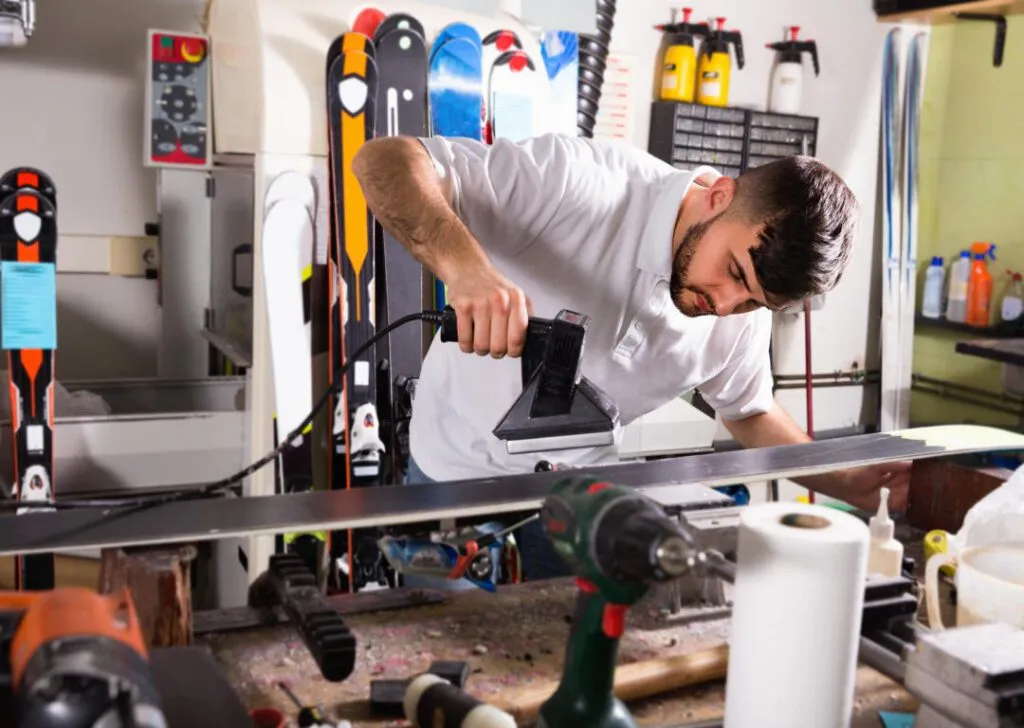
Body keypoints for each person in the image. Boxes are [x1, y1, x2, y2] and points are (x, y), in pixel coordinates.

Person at [352, 132, 911, 581]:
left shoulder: (740, 316)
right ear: (719, 195)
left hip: (575, 499)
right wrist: (466, 270)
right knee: (440, 654)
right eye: (734, 272)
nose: (724, 305)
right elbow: (384, 161)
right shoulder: (581, 184)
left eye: (753, 301)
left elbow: (750, 413)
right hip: (449, 475)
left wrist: (851, 482)